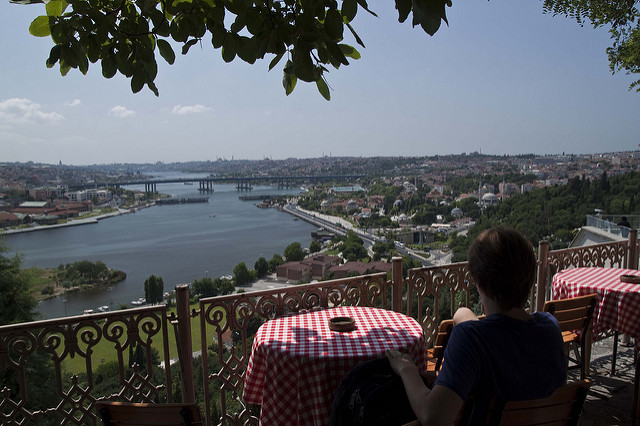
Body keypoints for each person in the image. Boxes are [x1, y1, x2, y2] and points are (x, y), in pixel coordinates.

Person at [386, 227, 567, 425]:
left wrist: (406, 369)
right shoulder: (550, 327)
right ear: (531, 277)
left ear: (478, 281)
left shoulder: (471, 340)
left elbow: (434, 418)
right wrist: (464, 315)